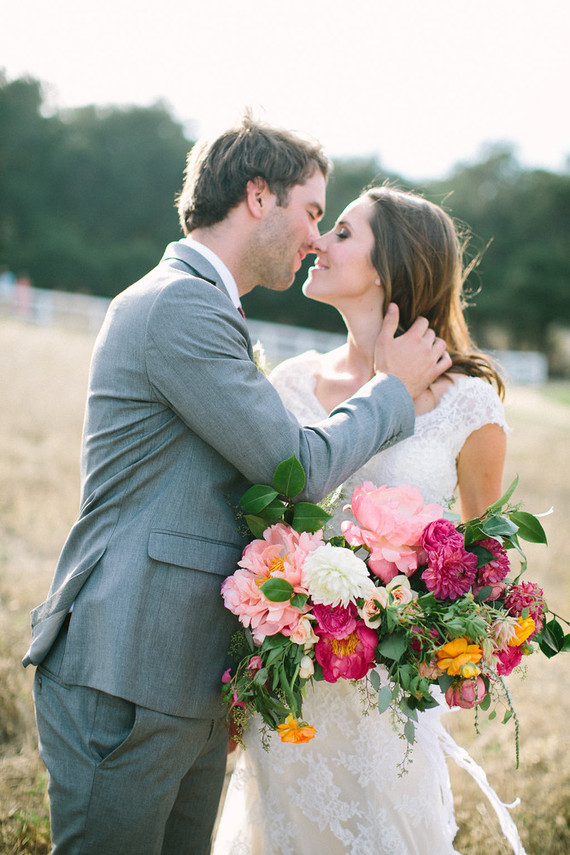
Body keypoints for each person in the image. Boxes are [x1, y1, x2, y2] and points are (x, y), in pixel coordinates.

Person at [22, 121, 450, 855]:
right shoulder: (179, 305)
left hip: (181, 673)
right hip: (126, 663)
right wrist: (392, 392)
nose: (316, 237)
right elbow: (293, 467)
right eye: (314, 212)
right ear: (258, 196)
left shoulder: (204, 305)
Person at [213, 186, 526, 855]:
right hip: (292, 691)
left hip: (390, 698)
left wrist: (461, 651)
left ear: (389, 266)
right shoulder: (290, 384)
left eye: (344, 232)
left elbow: (483, 563)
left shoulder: (468, 405)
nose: (319, 242)